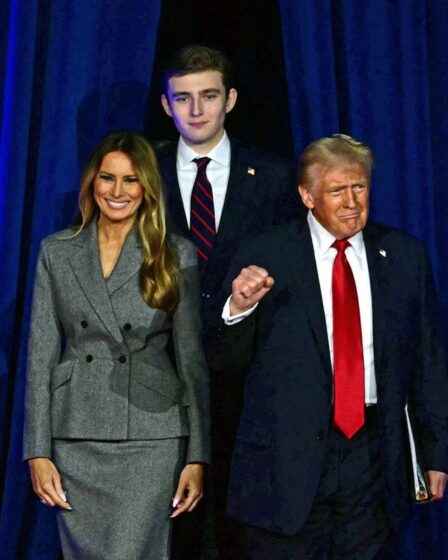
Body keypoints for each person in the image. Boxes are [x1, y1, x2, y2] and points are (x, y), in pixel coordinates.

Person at [211, 134, 448, 559]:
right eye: (337, 190)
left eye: (359, 187)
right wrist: (238, 309)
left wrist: (436, 454)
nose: (352, 202)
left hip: (375, 459)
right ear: (307, 195)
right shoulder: (266, 253)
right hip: (286, 464)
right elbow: (223, 362)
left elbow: (429, 362)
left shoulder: (404, 255)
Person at [23, 131, 210, 560]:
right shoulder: (57, 251)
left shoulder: (173, 253)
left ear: (147, 188)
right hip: (75, 434)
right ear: (92, 182)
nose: (117, 191)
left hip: (151, 437)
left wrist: (198, 457)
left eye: (131, 180)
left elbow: (191, 361)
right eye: (107, 178)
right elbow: (40, 357)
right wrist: (37, 450)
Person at [158, 43, 304, 559]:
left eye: (209, 96)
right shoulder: (141, 173)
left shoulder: (273, 177)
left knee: (237, 527)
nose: (196, 111)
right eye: (184, 98)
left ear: (231, 99)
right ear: (166, 105)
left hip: (246, 379)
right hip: (160, 380)